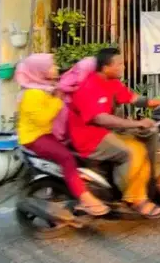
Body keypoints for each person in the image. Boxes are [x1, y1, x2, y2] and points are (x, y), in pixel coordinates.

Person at [67, 47, 160, 219]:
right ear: (106, 67)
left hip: (106, 133)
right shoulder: (88, 87)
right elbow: (100, 119)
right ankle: (136, 200)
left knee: (142, 143)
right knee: (132, 151)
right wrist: (135, 123)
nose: (123, 67)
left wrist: (158, 102)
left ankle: (147, 185)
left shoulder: (112, 82)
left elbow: (131, 98)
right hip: (89, 138)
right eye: (119, 64)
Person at [15, 54, 109, 216]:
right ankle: (85, 198)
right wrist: (57, 100)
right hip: (35, 138)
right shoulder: (33, 94)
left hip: (45, 133)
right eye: (50, 66)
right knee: (67, 158)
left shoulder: (45, 87)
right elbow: (43, 118)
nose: (55, 69)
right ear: (39, 71)